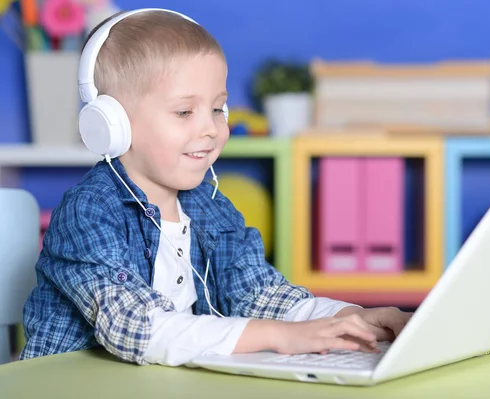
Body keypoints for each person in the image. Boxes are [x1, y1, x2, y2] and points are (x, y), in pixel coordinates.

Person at [20, 8, 412, 366]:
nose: (210, 129)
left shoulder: (208, 205)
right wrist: (282, 337)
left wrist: (350, 317)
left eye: (217, 108)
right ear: (111, 125)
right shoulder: (88, 212)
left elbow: (259, 294)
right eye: (185, 111)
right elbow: (138, 327)